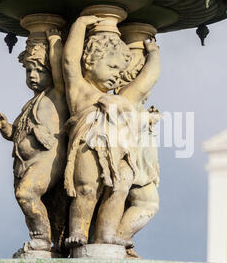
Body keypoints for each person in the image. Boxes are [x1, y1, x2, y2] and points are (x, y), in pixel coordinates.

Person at [62, 15, 160, 249]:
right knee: (87, 188)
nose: (117, 74)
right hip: (89, 146)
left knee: (120, 188)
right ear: (90, 62)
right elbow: (68, 61)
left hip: (119, 153)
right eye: (112, 66)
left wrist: (154, 54)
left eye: (120, 69)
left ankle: (106, 234)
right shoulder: (80, 90)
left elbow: (146, 82)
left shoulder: (120, 98)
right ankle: (78, 231)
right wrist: (79, 25)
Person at [0, 29, 69, 256]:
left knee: (26, 195)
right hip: (24, 163)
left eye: (39, 70)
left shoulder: (57, 94)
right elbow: (16, 133)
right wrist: (5, 127)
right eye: (28, 70)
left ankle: (41, 240)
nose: (32, 75)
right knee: (28, 200)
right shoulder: (30, 104)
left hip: (48, 161)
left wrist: (55, 40)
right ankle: (46, 243)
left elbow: (61, 69)